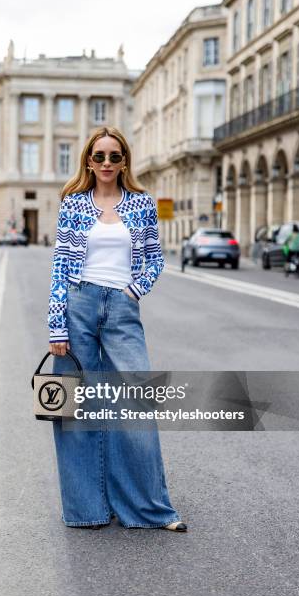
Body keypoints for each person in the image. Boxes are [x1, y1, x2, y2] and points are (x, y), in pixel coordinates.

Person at [47, 126, 187, 532]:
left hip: (121, 308)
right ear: (88, 161)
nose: (106, 163)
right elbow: (60, 267)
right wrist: (57, 324)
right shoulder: (72, 204)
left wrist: (132, 291)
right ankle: (86, 509)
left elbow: (154, 259)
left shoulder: (142, 204)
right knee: (78, 409)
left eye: (114, 156)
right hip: (78, 304)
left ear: (124, 161)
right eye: (99, 156)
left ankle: (148, 509)